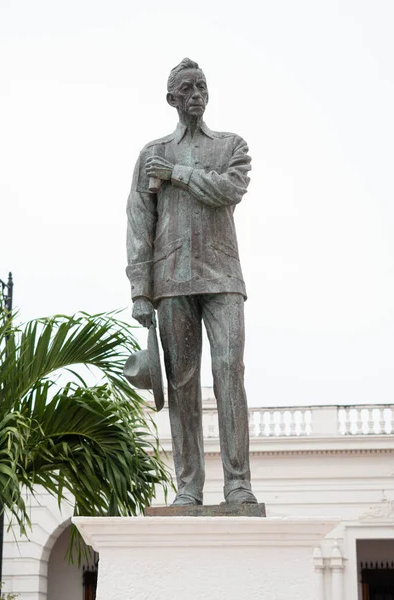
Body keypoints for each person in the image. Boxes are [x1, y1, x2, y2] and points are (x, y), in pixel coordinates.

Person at [126, 58, 257, 506]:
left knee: (229, 373)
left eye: (202, 86)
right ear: (172, 99)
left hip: (223, 276)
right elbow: (139, 222)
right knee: (182, 385)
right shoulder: (151, 153)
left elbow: (229, 189)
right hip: (171, 279)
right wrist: (140, 290)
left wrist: (176, 174)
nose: (196, 93)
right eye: (187, 88)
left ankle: (239, 484)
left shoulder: (231, 145)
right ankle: (189, 488)